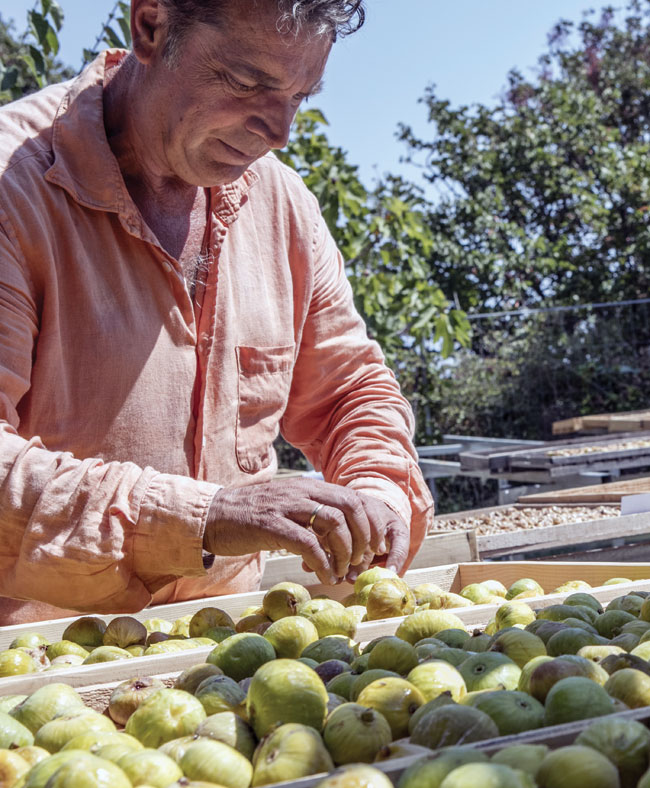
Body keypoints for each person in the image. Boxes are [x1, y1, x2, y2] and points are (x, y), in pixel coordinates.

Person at [0, 0, 434, 624]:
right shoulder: (15, 193)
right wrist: (204, 518)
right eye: (248, 82)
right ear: (151, 26)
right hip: (37, 674)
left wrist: (378, 493)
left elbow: (350, 392)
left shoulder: (281, 205)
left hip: (231, 665)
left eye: (299, 96)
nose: (280, 130)